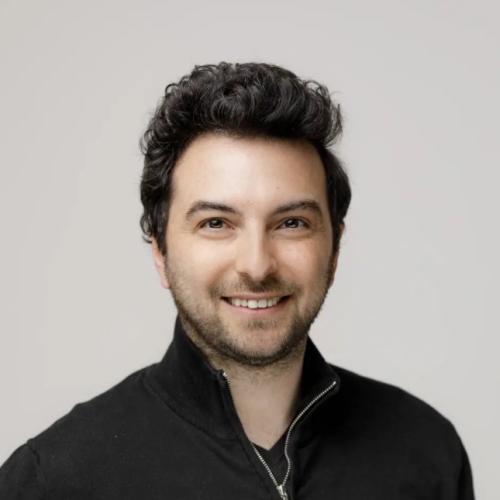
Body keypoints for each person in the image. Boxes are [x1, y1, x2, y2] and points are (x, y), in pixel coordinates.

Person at [0, 62, 474, 499]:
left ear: (334, 249)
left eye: (292, 223)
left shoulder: (426, 451)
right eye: (216, 223)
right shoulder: (55, 480)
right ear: (160, 252)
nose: (256, 265)